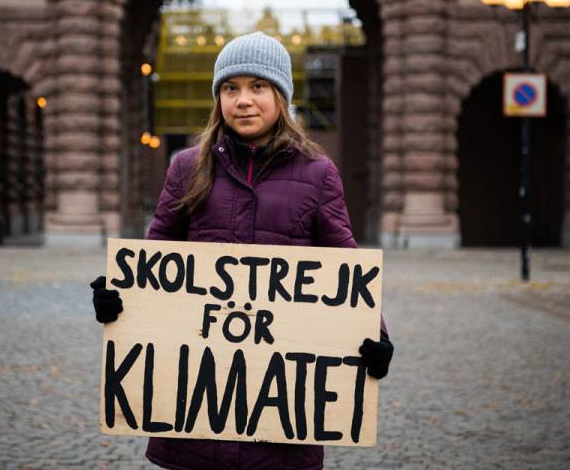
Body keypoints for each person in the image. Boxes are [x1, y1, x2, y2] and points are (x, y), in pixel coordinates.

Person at [91, 31, 393, 470]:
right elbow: (156, 254)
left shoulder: (318, 174)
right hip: (194, 418)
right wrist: (119, 298)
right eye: (231, 88)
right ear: (218, 98)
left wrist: (377, 337)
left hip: (282, 423)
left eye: (258, 87)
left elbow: (345, 267)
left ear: (281, 96)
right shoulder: (185, 167)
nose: (243, 100)